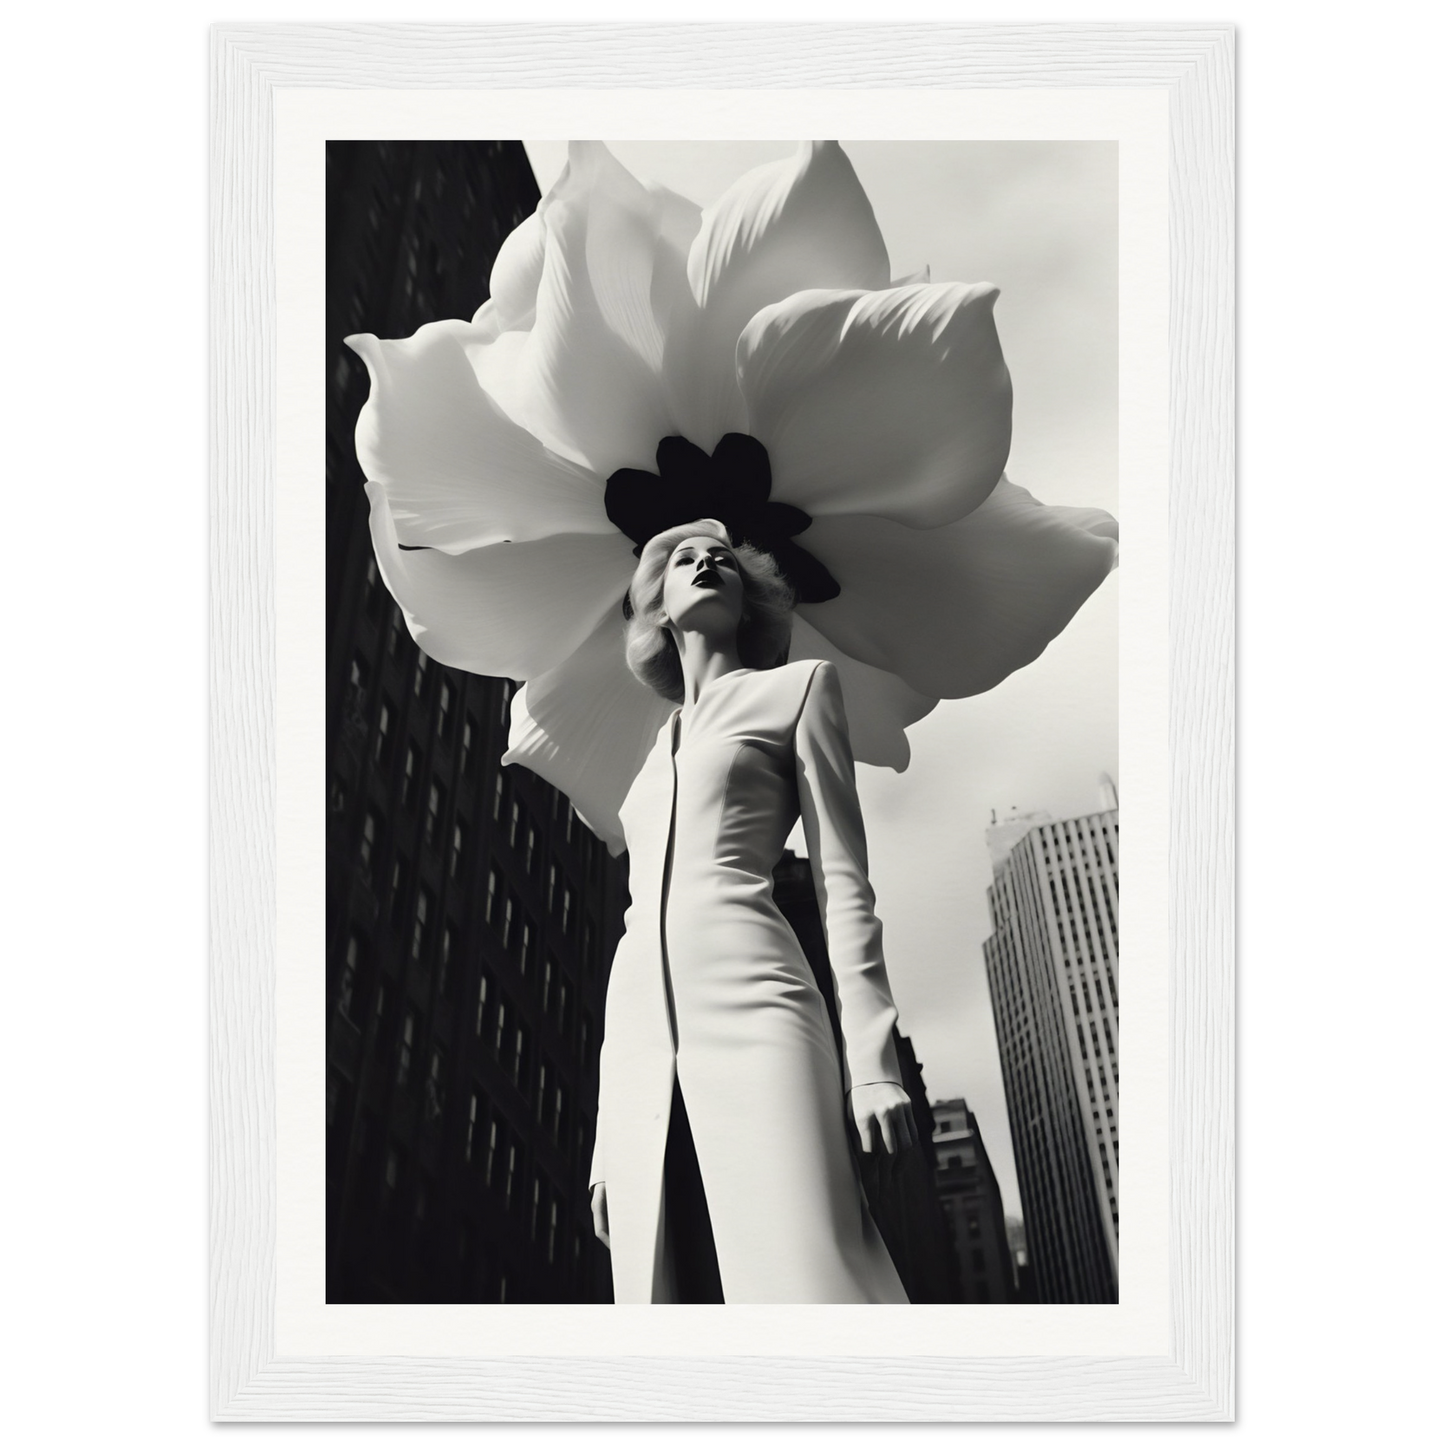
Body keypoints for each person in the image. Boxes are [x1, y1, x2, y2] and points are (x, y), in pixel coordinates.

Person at [587, 517, 918, 1304]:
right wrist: (608, 1133)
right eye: (683, 560)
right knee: (671, 1295)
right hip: (640, 1043)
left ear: (748, 602)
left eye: (723, 562)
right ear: (658, 608)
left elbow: (844, 880)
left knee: (808, 1270)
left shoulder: (798, 689)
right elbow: (636, 928)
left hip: (760, 1005)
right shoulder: (647, 758)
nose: (705, 563)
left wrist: (871, 1061)